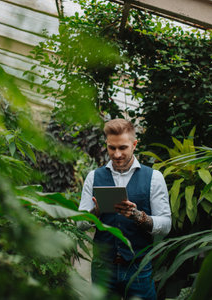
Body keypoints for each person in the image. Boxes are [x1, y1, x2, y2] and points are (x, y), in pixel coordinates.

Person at [79, 118, 171, 300]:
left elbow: (166, 224)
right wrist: (96, 213)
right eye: (112, 148)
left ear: (134, 144)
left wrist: (138, 216)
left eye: (123, 148)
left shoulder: (154, 177)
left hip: (139, 268)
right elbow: (80, 224)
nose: (117, 154)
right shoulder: (93, 177)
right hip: (103, 268)